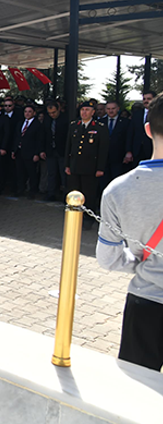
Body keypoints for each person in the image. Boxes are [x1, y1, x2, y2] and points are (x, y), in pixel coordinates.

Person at [96, 94, 163, 371]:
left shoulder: (119, 190)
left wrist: (140, 258)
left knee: (138, 399)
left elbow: (108, 259)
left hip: (146, 302)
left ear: (147, 129)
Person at [65, 101, 109, 230]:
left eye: (87, 110)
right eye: (82, 109)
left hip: (90, 167)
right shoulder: (74, 125)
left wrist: (100, 168)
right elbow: (69, 146)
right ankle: (75, 216)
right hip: (75, 165)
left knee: (89, 193)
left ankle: (88, 218)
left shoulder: (100, 127)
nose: (84, 112)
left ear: (93, 112)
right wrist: (67, 165)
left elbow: (103, 150)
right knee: (74, 191)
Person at [12, 104, 45, 199]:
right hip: (19, 151)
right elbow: (17, 137)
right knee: (20, 172)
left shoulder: (37, 125)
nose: (27, 113)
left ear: (34, 113)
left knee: (32, 173)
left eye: (30, 111)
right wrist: (14, 150)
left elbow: (39, 140)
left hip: (31, 153)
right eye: (26, 111)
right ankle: (20, 189)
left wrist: (36, 153)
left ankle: (32, 191)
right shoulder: (20, 123)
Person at [99, 101, 130, 191]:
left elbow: (128, 138)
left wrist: (128, 152)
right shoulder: (100, 122)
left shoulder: (125, 122)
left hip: (118, 157)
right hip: (104, 158)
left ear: (118, 109)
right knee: (104, 182)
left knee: (117, 181)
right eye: (108, 109)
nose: (110, 111)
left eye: (113, 108)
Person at [42, 102, 69, 201]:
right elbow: (44, 135)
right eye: (50, 113)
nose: (52, 115)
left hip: (62, 150)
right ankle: (51, 193)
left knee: (63, 174)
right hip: (50, 150)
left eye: (54, 112)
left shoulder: (65, 119)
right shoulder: (47, 119)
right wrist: (42, 150)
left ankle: (65, 195)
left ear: (58, 109)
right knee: (51, 173)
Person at [126, 90, 156, 166]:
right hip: (137, 150)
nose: (146, 101)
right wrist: (128, 151)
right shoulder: (137, 114)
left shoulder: (159, 114)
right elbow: (130, 133)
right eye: (144, 99)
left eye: (149, 99)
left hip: (153, 150)